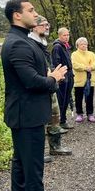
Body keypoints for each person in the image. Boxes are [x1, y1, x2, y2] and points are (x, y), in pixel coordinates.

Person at [1, 0, 69, 191]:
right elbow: (30, 81)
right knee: (33, 166)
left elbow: (31, 72)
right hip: (26, 115)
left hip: (25, 114)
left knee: (21, 163)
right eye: (31, 10)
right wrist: (53, 79)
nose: (36, 14)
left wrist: (49, 73)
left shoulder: (23, 40)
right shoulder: (17, 44)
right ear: (17, 15)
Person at [28, 16, 72, 158]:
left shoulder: (43, 43)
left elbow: (49, 62)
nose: (47, 27)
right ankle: (38, 152)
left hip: (50, 83)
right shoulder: (29, 43)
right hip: (40, 85)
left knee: (55, 115)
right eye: (43, 25)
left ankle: (56, 146)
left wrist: (54, 74)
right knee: (39, 120)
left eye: (48, 24)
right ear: (34, 26)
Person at [71, 37, 95, 122]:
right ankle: (79, 114)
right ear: (77, 46)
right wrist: (85, 67)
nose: (84, 45)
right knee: (78, 98)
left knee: (89, 98)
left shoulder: (91, 54)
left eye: (85, 44)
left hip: (90, 81)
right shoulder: (74, 54)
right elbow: (75, 65)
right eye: (82, 44)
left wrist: (91, 67)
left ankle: (90, 114)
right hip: (79, 81)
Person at [51, 27, 74, 129]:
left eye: (68, 35)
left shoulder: (66, 46)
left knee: (67, 99)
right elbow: (56, 62)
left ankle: (63, 120)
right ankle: (58, 123)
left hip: (69, 74)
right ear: (59, 36)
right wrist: (61, 76)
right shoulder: (57, 47)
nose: (66, 37)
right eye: (64, 35)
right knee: (61, 99)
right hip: (62, 76)